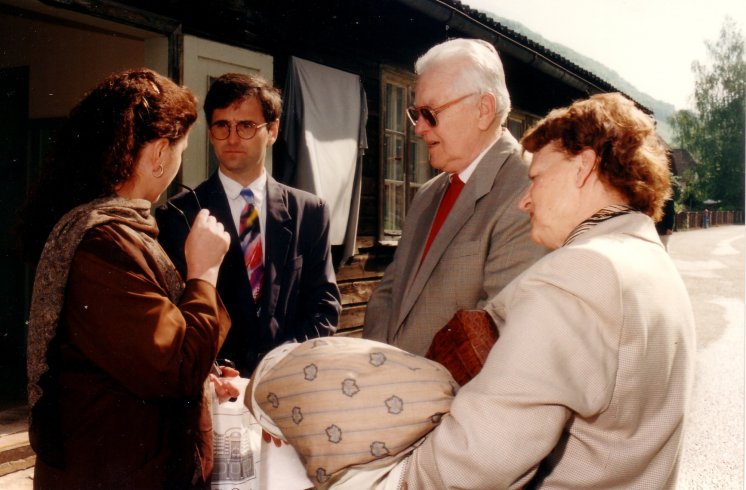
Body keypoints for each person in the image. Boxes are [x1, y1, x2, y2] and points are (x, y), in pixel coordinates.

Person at [402, 93, 697, 488]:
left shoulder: (580, 272)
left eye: (536, 177)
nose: (525, 201)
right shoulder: (653, 263)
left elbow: (479, 457)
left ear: (583, 167)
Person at [17, 69, 232, 489]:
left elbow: (137, 358)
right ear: (157, 155)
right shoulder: (103, 243)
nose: (177, 164)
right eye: (181, 150)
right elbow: (173, 368)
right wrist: (204, 272)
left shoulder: (117, 232)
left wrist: (205, 381)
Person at [363, 38, 545, 356]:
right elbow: (388, 293)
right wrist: (380, 368)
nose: (418, 128)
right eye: (415, 113)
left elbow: (500, 334)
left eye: (429, 113)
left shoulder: (529, 189)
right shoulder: (427, 194)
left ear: (483, 110)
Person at [156, 73, 341, 377]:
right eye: (221, 126)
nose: (231, 139)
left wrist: (281, 363)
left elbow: (324, 306)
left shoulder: (309, 211)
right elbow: (171, 316)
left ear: (273, 130)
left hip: (286, 383)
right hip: (212, 389)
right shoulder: (178, 215)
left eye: (245, 126)